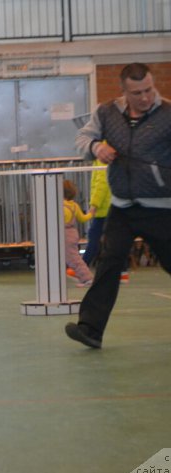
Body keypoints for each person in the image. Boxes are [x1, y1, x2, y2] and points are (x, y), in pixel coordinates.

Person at [65, 62, 171, 349]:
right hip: (122, 207)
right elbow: (82, 138)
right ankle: (90, 329)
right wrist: (96, 147)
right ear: (124, 91)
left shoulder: (167, 114)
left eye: (149, 90)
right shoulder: (106, 112)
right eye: (137, 93)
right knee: (109, 263)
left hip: (161, 207)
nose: (145, 97)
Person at [81, 155, 131, 284]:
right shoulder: (112, 155)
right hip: (113, 204)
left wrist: (94, 204)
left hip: (103, 208)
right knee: (116, 239)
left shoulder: (101, 158)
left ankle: (82, 269)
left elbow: (102, 184)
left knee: (94, 237)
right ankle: (123, 272)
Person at [62, 179, 93, 287]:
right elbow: (83, 218)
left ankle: (87, 278)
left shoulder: (59, 206)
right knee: (74, 258)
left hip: (64, 235)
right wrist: (91, 212)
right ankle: (84, 278)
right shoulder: (74, 205)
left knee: (73, 259)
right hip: (73, 233)